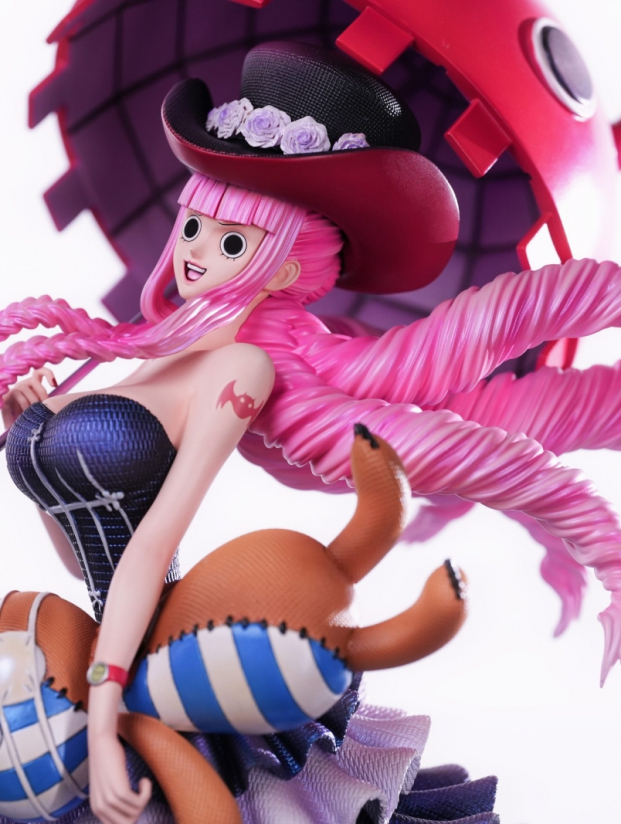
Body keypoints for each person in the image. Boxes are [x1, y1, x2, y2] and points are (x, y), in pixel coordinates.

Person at [1, 39, 621, 823]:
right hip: (115, 644)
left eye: (232, 242)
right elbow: (92, 548)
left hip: (155, 660)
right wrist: (32, 440)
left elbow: (152, 545)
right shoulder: (151, 353)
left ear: (287, 270)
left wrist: (103, 708)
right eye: (194, 227)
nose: (197, 254)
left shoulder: (240, 372)